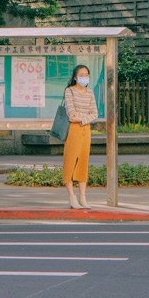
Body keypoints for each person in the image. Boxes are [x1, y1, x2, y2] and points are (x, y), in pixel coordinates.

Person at [62, 65, 99, 211]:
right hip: (73, 131)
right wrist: (83, 118)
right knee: (70, 161)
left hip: (86, 130)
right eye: (81, 74)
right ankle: (72, 197)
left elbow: (94, 114)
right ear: (75, 77)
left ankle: (83, 197)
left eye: (86, 74)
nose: (84, 77)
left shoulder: (90, 93)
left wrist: (81, 119)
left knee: (83, 162)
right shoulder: (69, 91)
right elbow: (71, 114)